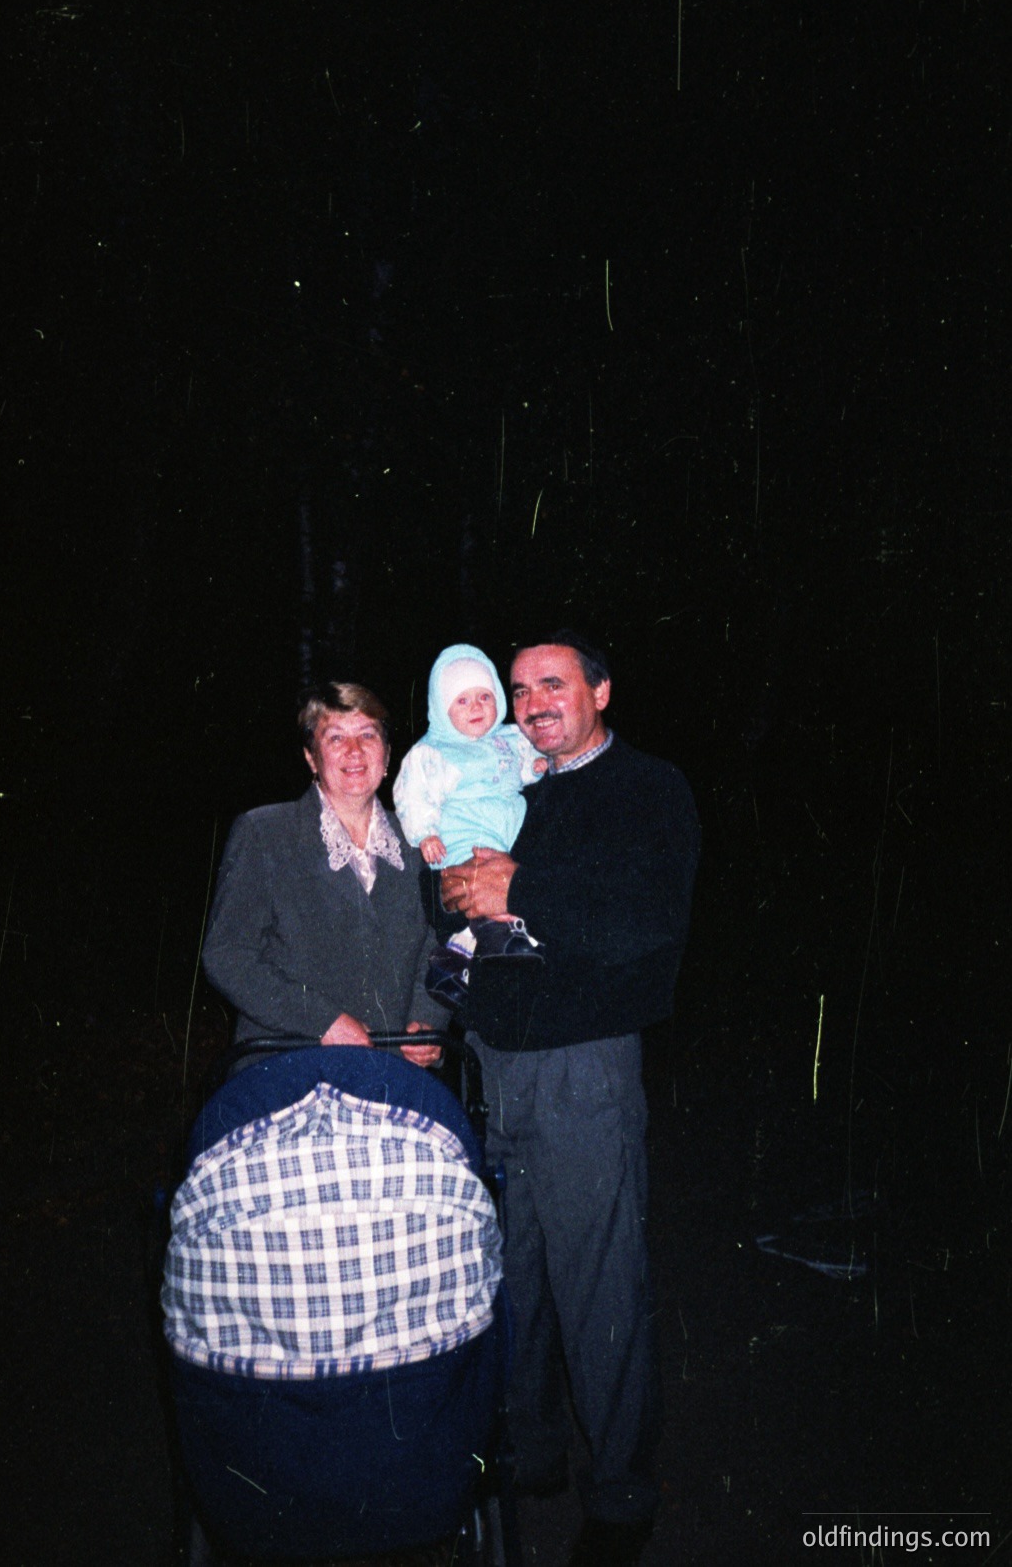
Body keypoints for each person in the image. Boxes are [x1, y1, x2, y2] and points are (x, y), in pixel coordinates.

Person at [440, 630, 700, 1567]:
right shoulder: (515, 787)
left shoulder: (646, 788)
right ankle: (530, 1452)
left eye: (552, 683)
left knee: (599, 1282)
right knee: (506, 1275)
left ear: (599, 688)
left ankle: (623, 1495)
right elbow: (475, 899)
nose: (532, 700)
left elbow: (643, 921)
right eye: (518, 687)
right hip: (493, 1063)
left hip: (582, 1067)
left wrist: (518, 887)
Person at [202, 682, 444, 1067]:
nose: (355, 751)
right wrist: (322, 1022)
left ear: (387, 755)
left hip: (393, 1073)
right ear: (311, 758)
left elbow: (442, 945)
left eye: (368, 735)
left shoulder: (422, 841)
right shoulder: (265, 833)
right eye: (335, 738)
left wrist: (428, 1020)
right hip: (287, 1068)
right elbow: (227, 955)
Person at [393, 643, 543, 977]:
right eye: (462, 701)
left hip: (508, 828)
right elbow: (414, 793)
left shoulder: (510, 737)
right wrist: (425, 833)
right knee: (478, 885)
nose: (476, 707)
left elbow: (523, 767)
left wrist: (536, 767)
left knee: (513, 880)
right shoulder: (434, 752)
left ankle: (463, 949)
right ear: (442, 707)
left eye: (484, 697)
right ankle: (484, 939)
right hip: (465, 834)